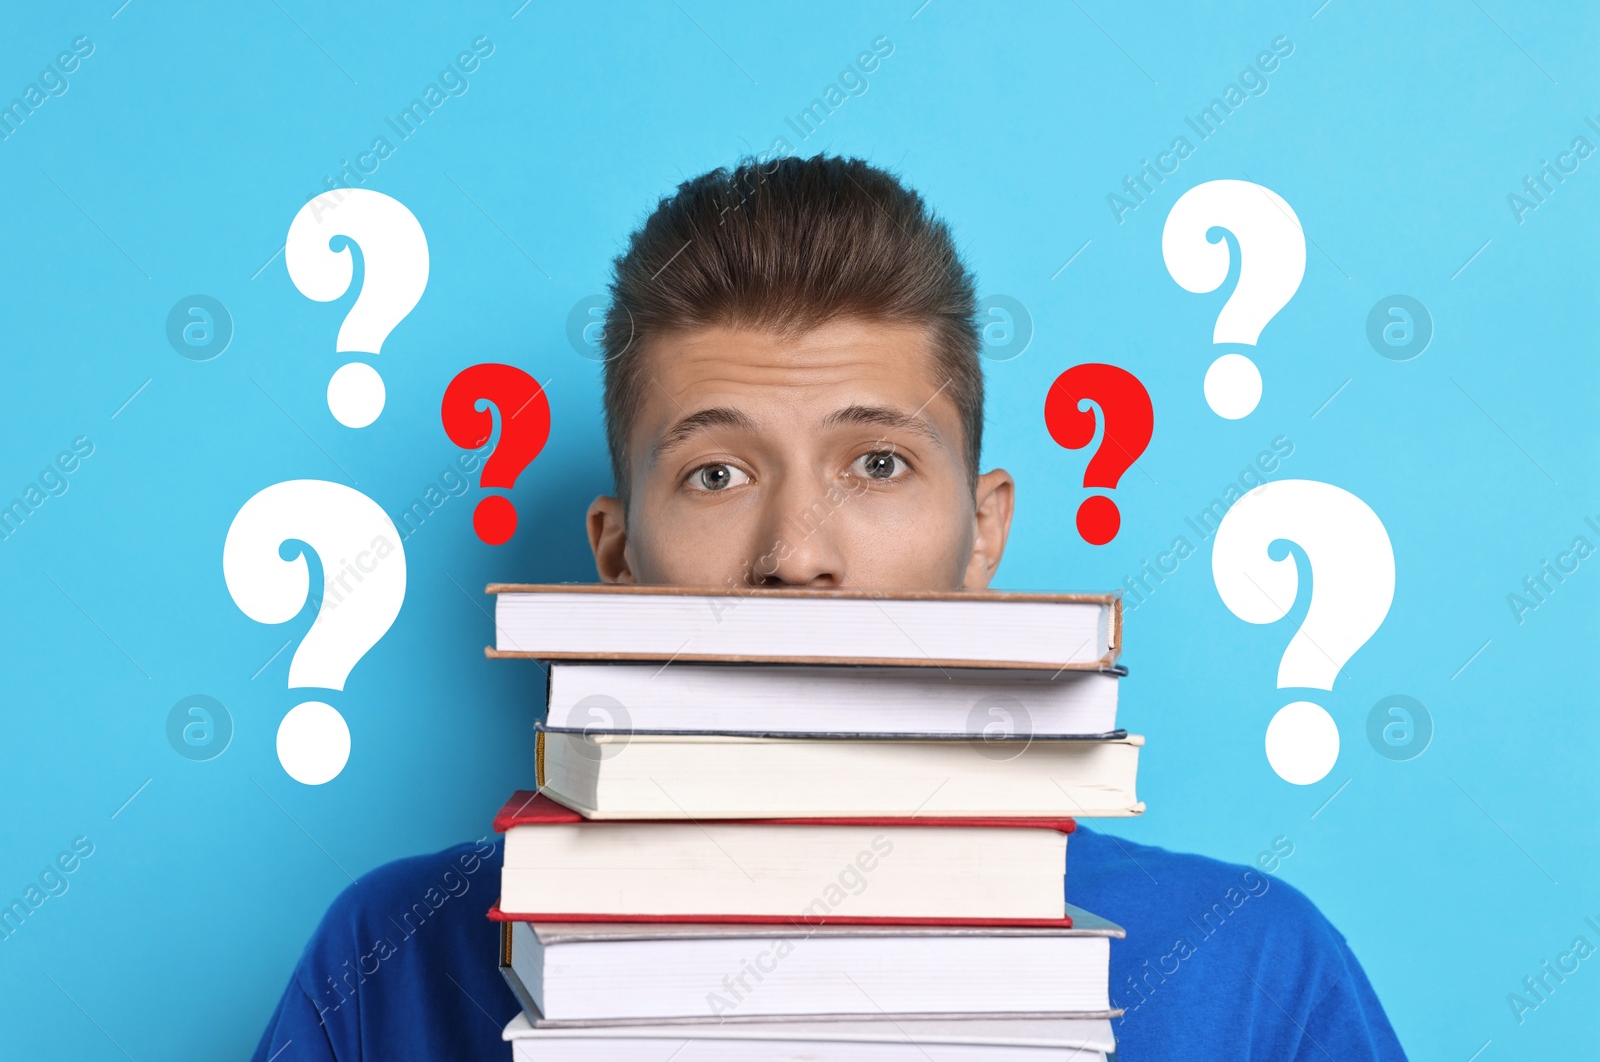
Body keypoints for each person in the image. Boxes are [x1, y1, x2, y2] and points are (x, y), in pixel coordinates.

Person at [252, 155, 1407, 1060]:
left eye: (878, 463)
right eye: (716, 473)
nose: (796, 558)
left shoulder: (1252, 967)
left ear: (985, 532)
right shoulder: (394, 954)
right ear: (614, 558)